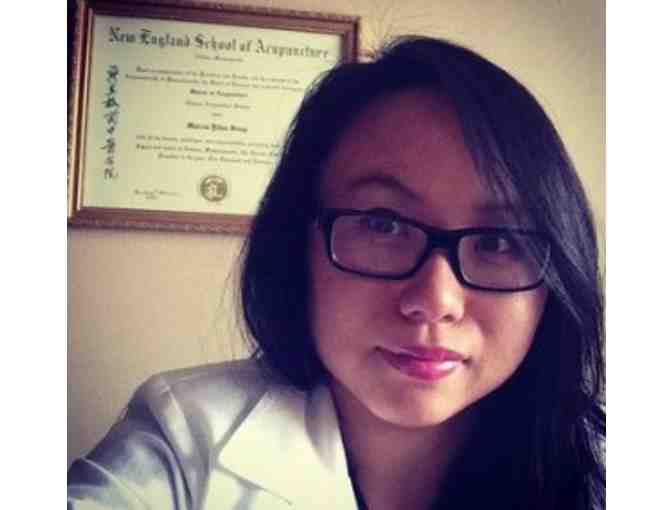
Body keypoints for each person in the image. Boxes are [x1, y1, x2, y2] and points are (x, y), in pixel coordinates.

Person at [68, 36, 605, 510]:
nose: (436, 300)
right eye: (383, 224)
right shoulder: (186, 436)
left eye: (497, 242)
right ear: (297, 243)